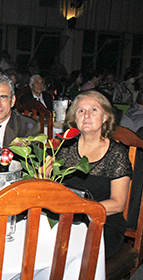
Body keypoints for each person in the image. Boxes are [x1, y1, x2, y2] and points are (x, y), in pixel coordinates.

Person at [57, 90, 132, 258]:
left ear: (105, 117)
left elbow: (118, 203)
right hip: (69, 220)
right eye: (81, 111)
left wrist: (82, 209)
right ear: (74, 118)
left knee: (71, 251)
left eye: (94, 110)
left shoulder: (116, 153)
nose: (87, 115)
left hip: (104, 223)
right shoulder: (66, 148)